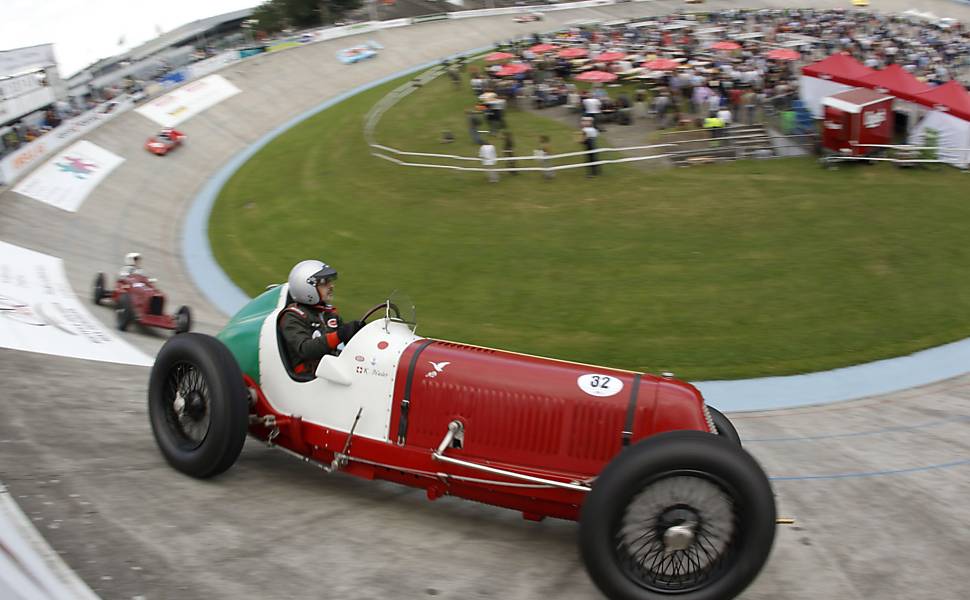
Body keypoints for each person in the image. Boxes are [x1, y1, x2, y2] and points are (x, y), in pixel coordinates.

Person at [279, 260, 364, 377]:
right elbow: (305, 349)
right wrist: (339, 335)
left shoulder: (329, 313)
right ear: (306, 287)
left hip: (332, 373)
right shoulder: (292, 316)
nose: (331, 286)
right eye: (324, 283)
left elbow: (345, 342)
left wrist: (358, 333)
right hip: (310, 379)